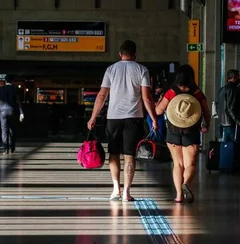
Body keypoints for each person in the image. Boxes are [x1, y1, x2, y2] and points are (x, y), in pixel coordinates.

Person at [87, 40, 158, 202]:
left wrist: (93, 117)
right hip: (134, 118)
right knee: (130, 155)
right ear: (135, 54)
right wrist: (153, 119)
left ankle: (115, 189)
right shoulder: (142, 70)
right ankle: (126, 192)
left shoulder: (111, 70)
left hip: (113, 118)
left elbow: (101, 95)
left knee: (113, 153)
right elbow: (147, 98)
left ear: (120, 54)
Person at [155, 66, 211, 203]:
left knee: (178, 164)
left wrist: (159, 101)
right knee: (190, 164)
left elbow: (158, 111)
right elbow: (206, 113)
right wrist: (206, 125)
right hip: (191, 132)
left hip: (173, 131)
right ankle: (186, 183)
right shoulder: (197, 93)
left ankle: (179, 196)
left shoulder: (171, 92)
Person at [0, 74, 25, 154]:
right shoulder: (15, 89)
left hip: (3, 111)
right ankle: (12, 147)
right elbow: (19, 102)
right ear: (12, 81)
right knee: (12, 130)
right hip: (12, 111)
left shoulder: (0, 89)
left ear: (5, 80)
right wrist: (21, 113)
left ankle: (5, 149)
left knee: (4, 130)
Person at [218, 69, 240, 142]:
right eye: (238, 77)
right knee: (234, 148)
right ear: (234, 78)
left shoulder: (222, 89)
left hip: (222, 123)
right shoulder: (232, 89)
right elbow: (231, 108)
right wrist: (238, 121)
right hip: (230, 124)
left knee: (225, 149)